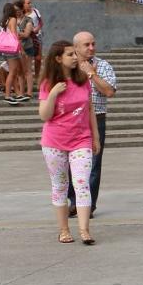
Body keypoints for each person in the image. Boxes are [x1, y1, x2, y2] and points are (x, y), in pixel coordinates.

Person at [39, 40, 101, 246]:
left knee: (82, 183)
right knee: (60, 185)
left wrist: (95, 137)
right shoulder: (48, 83)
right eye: (70, 54)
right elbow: (44, 116)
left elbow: (90, 110)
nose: (75, 57)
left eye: (75, 53)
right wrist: (53, 94)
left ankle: (84, 230)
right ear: (58, 59)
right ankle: (64, 230)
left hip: (81, 140)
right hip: (54, 142)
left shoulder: (83, 80)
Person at [66, 32, 117, 219]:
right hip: (72, 121)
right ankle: (74, 201)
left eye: (93, 44)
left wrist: (92, 74)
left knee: (93, 163)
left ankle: (89, 204)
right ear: (76, 47)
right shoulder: (68, 66)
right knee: (69, 162)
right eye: (86, 45)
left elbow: (109, 91)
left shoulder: (102, 65)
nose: (91, 48)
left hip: (97, 118)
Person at [0, 3, 29, 105]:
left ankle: (18, 94)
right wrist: (21, 49)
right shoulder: (13, 19)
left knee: (13, 71)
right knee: (13, 72)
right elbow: (15, 35)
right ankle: (7, 95)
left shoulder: (3, 21)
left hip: (5, 49)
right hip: (12, 49)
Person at [20, 0, 44, 85]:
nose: (30, 4)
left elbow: (41, 22)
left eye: (30, 2)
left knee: (38, 58)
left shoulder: (35, 11)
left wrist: (37, 28)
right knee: (26, 58)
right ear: (23, 5)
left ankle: (37, 76)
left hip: (37, 36)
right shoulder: (22, 14)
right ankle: (26, 77)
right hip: (27, 38)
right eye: (28, 3)